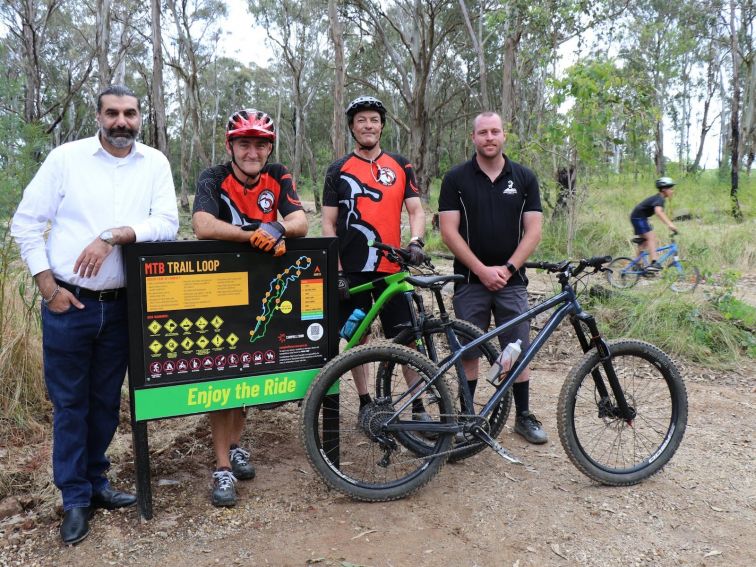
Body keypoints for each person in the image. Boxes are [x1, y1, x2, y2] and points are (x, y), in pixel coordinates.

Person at [10, 85, 179, 545]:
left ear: (140, 116)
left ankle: (97, 482)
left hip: (122, 305)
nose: (121, 121)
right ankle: (74, 498)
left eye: (129, 113)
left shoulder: (155, 163)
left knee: (106, 402)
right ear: (98, 116)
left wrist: (116, 234)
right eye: (112, 113)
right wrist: (48, 287)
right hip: (70, 304)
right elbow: (25, 223)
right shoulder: (67, 159)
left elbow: (167, 223)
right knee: (70, 405)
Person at [192, 108, 308, 507]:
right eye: (244, 143)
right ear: (231, 146)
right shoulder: (212, 176)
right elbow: (203, 225)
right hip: (219, 290)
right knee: (220, 380)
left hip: (259, 289)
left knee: (246, 371)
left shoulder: (278, 175)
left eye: (260, 144)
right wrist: (254, 233)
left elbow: (300, 222)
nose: (252, 152)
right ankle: (222, 467)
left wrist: (278, 227)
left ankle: (237, 446)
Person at [438, 111, 547, 445]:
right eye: (482, 132)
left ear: (504, 136)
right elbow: (448, 231)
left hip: (512, 282)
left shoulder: (525, 178)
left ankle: (523, 416)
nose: (489, 137)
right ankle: (468, 417)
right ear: (473, 137)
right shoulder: (455, 178)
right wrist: (482, 271)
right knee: (469, 351)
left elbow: (534, 230)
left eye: (495, 132)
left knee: (517, 348)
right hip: (470, 281)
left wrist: (508, 268)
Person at [321, 95, 428, 419]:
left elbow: (416, 209)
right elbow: (328, 222)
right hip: (352, 270)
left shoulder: (400, 165)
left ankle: (419, 407)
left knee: (408, 339)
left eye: (374, 120)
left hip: (392, 270)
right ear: (353, 127)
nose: (368, 125)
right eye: (361, 120)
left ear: (382, 126)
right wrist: (336, 269)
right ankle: (367, 403)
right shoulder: (338, 169)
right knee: (357, 338)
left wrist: (416, 241)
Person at [630, 177, 679, 273]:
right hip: (639, 218)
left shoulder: (659, 198)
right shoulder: (659, 198)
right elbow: (658, 212)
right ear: (664, 189)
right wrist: (670, 224)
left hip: (638, 217)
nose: (672, 191)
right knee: (652, 238)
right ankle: (654, 263)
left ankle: (636, 265)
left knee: (644, 242)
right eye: (671, 189)